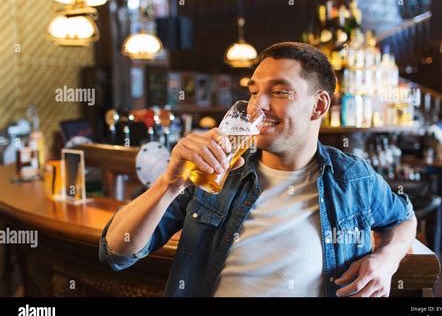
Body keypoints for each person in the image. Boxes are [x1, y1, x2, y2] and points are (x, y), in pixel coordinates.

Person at [99, 42, 417, 297]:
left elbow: (403, 220)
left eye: (279, 92)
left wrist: (386, 260)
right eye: (253, 91)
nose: (257, 106)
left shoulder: (352, 177)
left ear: (319, 106)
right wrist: (168, 184)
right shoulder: (218, 170)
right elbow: (116, 253)